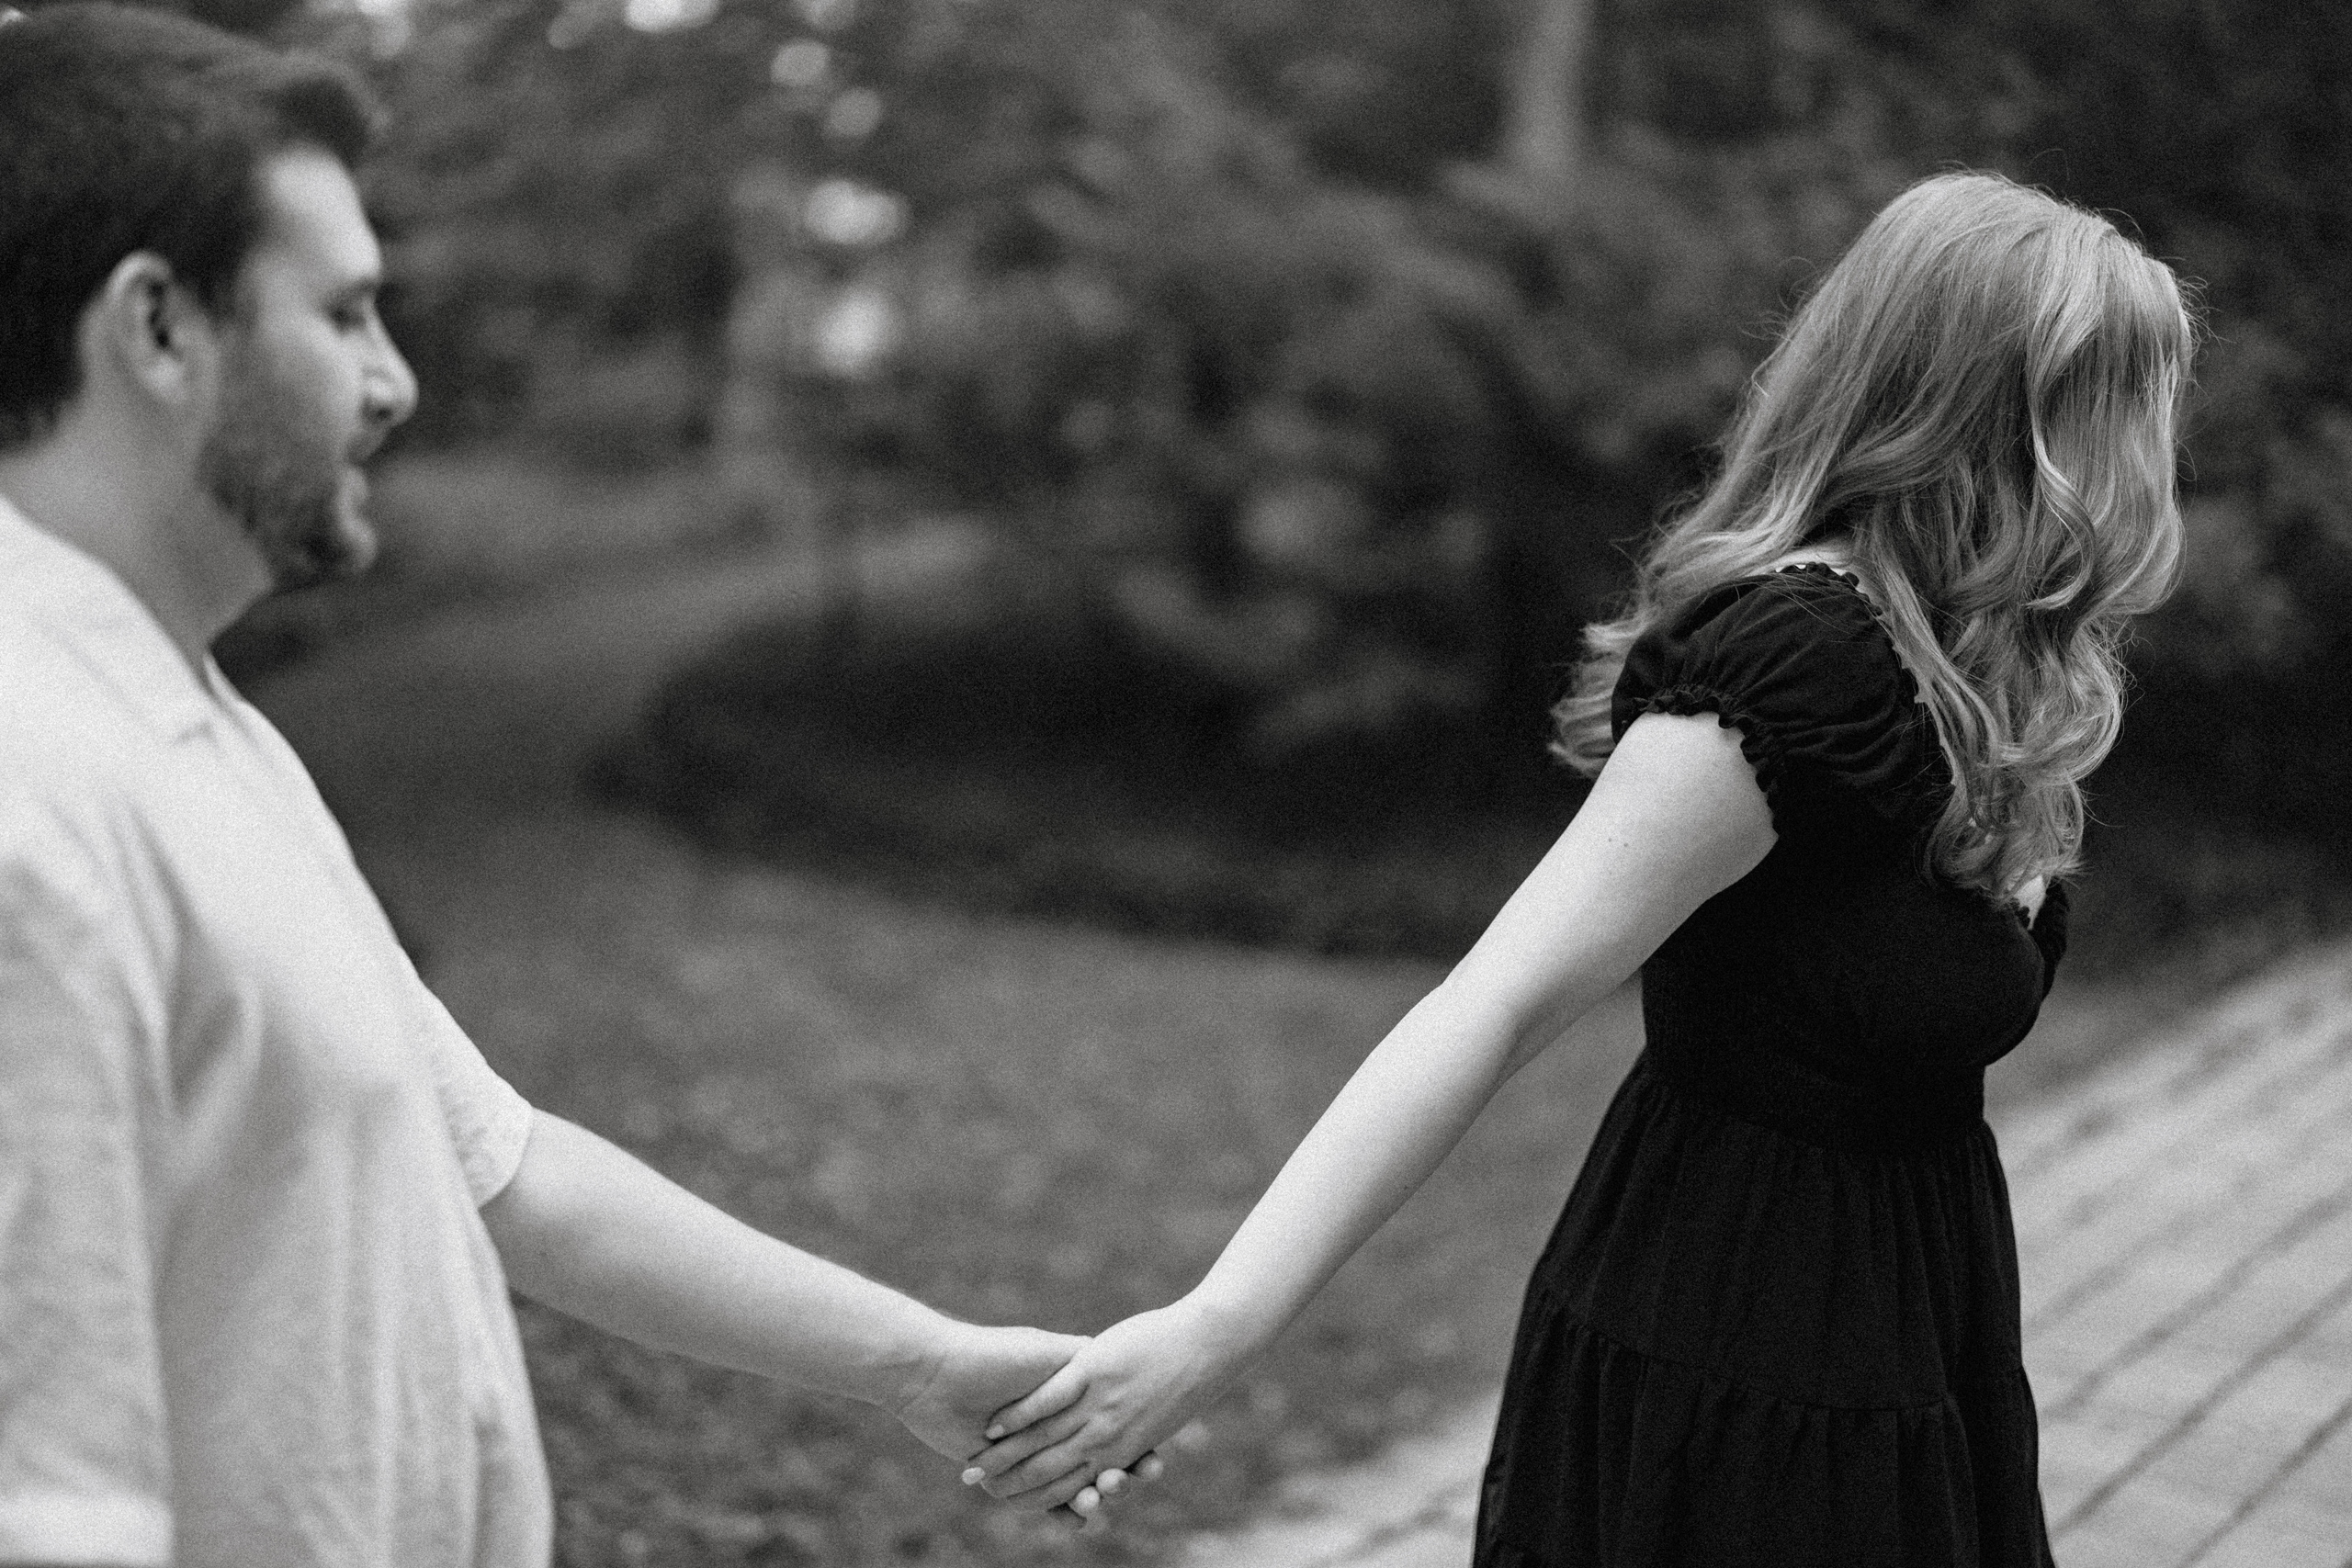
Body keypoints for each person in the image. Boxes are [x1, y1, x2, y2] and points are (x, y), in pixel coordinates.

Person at [0, 6, 1142, 1563]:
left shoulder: (191, 723)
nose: (394, 382)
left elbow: (499, 1172)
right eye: (342, 316)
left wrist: (917, 1363)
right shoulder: (34, 813)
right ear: (156, 330)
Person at [967, 171, 2196, 1565]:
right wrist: (1216, 1327)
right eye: (2116, 410)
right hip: (1741, 1355)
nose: (2143, 461)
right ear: (1988, 419)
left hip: (1910, 1318)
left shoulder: (1969, 668)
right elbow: (1492, 1002)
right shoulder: (1805, 666)